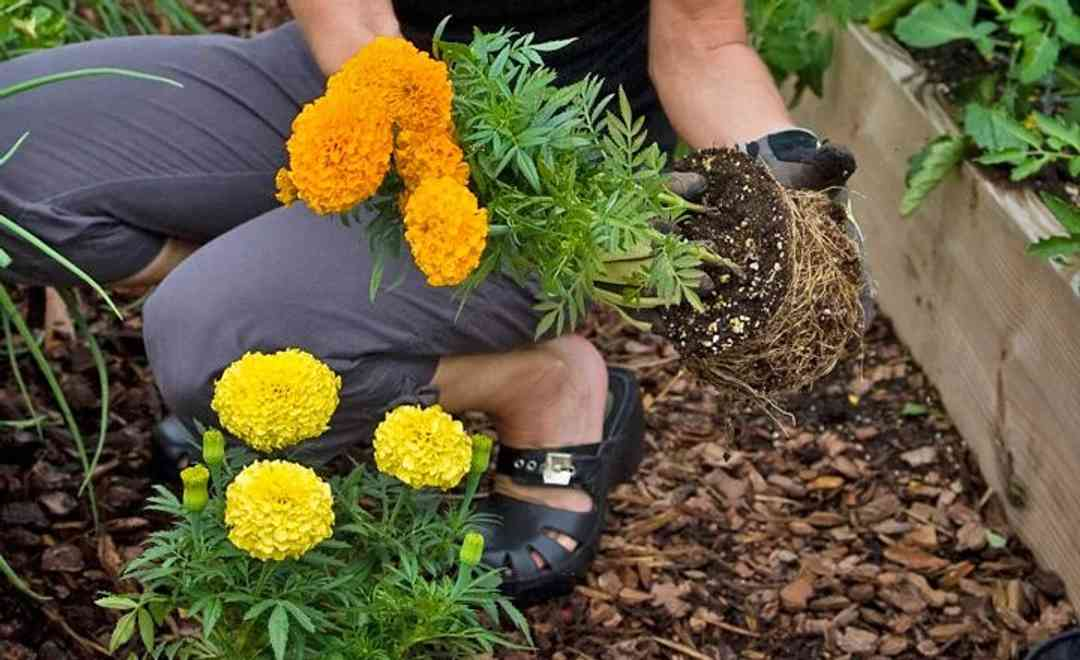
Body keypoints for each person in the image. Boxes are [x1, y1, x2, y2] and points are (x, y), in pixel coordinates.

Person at [0, 0, 857, 601]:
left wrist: (777, 171)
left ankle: (543, 387)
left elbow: (704, 46)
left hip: (552, 170)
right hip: (353, 75)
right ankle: (289, 289)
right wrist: (422, 184)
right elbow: (358, 30)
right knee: (14, 144)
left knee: (209, 343)